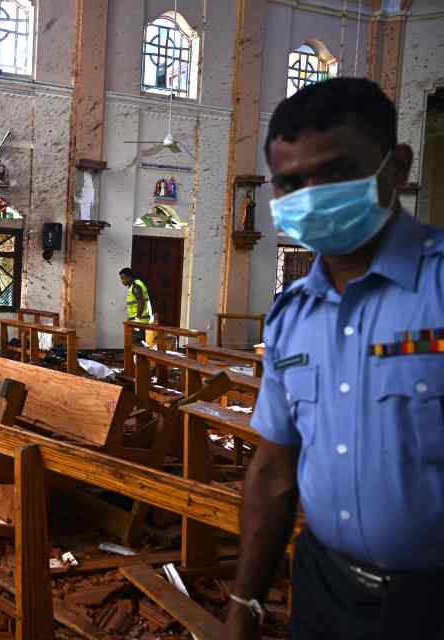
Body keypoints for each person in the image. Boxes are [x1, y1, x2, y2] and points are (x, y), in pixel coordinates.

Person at [227, 78, 444, 640]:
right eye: (294, 182)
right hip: (324, 589)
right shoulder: (291, 316)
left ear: (396, 167)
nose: (314, 193)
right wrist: (243, 604)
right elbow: (274, 472)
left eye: (337, 172)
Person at [119, 267, 153, 343]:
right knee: (136, 344)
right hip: (138, 320)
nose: (123, 281)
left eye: (124, 278)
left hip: (140, 321)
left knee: (138, 344)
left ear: (130, 277)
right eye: (121, 279)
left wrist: (137, 318)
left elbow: (141, 302)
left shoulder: (135, 287)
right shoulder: (134, 285)